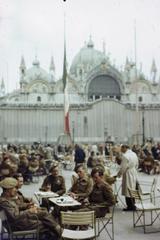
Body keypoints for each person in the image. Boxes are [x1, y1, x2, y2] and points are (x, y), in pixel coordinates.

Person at [117, 144, 139, 211]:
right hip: (133, 172)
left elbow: (123, 167)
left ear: (125, 148)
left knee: (128, 189)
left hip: (128, 173)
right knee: (132, 189)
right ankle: (133, 204)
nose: (121, 150)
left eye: (121, 148)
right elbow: (137, 164)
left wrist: (119, 174)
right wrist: (134, 169)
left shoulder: (125, 156)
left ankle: (130, 206)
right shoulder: (134, 154)